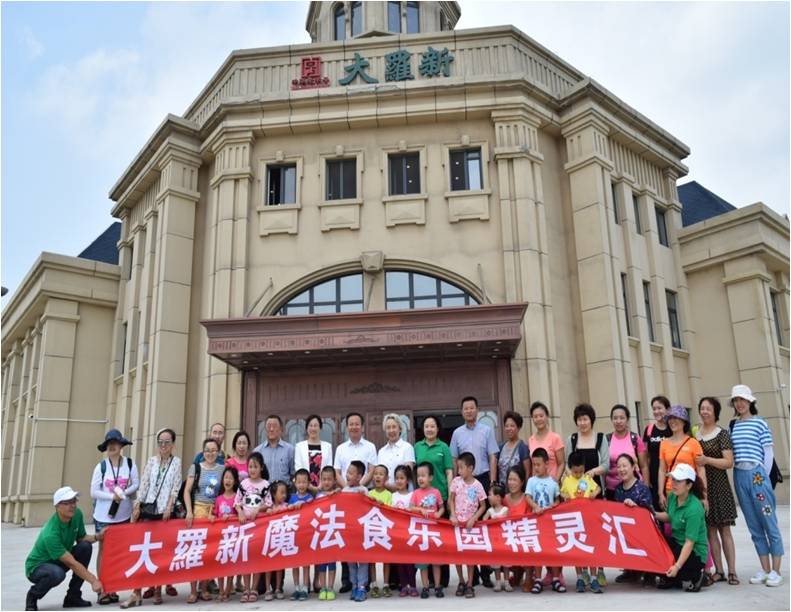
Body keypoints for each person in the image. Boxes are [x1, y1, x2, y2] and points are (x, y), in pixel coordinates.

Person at [728, 384, 784, 587]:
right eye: (736, 400)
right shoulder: (733, 425)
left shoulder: (760, 423)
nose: (739, 403)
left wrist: (764, 479)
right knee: (753, 524)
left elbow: (768, 453)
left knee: (769, 521)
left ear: (750, 401)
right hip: (739, 476)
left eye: (742, 399)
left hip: (758, 475)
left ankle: (776, 570)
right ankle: (765, 569)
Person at [124, 427, 182, 608]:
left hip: (164, 512)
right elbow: (144, 484)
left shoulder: (176, 462)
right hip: (149, 510)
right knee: (145, 550)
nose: (163, 445)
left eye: (167, 442)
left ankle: (158, 588)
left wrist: (169, 506)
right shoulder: (151, 462)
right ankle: (137, 592)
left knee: (161, 552)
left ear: (173, 444)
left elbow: (175, 487)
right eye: (160, 442)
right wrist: (137, 505)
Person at [25, 487, 103, 611]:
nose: (72, 506)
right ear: (57, 506)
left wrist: (98, 536)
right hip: (38, 567)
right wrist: (93, 580)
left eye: (74, 501)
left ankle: (73, 596)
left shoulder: (77, 514)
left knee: (85, 547)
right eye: (67, 503)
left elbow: (82, 538)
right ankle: (32, 596)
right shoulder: (50, 533)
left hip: (59, 559)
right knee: (57, 574)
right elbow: (71, 562)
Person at [90, 428, 139, 606]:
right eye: (109, 444)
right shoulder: (101, 467)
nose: (112, 447)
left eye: (115, 443)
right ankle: (103, 590)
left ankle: (113, 587)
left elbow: (136, 484)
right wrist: (112, 496)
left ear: (121, 446)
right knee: (103, 551)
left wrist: (123, 493)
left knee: (117, 552)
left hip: (123, 515)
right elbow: (94, 491)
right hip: (104, 516)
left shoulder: (130, 464)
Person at [695, 396, 738, 585]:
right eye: (702, 408)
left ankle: (732, 571)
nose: (704, 412)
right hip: (704, 488)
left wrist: (707, 460)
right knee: (710, 531)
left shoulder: (722, 434)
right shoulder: (696, 434)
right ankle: (719, 571)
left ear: (715, 412)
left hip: (720, 487)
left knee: (725, 530)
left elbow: (728, 462)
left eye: (708, 409)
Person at [564, 403, 608, 589]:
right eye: (579, 420)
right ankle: (582, 573)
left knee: (596, 533)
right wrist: (572, 482)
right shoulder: (572, 439)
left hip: (595, 493)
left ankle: (599, 569)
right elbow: (567, 465)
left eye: (585, 419)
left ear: (591, 420)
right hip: (576, 498)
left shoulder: (600, 438)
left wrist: (591, 473)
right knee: (579, 533)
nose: (582, 423)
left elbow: (606, 464)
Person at [334, 412, 377, 593]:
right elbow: (337, 472)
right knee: (347, 541)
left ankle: (364, 583)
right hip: (346, 498)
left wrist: (359, 486)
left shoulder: (370, 446)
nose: (354, 427)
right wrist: (347, 488)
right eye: (350, 424)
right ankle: (348, 582)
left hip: (362, 499)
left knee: (364, 540)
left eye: (357, 423)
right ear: (347, 427)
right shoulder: (341, 448)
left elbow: (372, 470)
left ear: (362, 426)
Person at [413, 415, 453, 590]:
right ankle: (428, 580)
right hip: (422, 501)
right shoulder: (417, 447)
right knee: (425, 539)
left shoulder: (443, 447)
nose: (429, 429)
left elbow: (449, 471)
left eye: (432, 426)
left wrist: (450, 495)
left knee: (440, 539)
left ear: (437, 428)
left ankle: (442, 579)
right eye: (426, 426)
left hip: (440, 497)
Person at [654, 464, 709, 592]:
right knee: (655, 549)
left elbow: (690, 542)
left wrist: (677, 566)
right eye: (673, 479)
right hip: (678, 543)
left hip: (695, 552)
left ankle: (697, 576)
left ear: (689, 485)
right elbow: (669, 516)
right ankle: (673, 579)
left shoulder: (694, 508)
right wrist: (652, 513)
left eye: (678, 481)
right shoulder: (673, 496)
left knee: (673, 566)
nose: (674, 483)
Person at [183, 438, 224, 603]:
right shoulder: (196, 467)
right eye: (207, 450)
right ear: (203, 451)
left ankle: (204, 587)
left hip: (213, 514)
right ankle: (193, 591)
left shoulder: (222, 469)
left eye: (213, 450)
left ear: (218, 452)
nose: (210, 453)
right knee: (195, 552)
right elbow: (187, 491)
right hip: (198, 512)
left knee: (209, 552)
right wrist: (189, 511)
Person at [448, 452, 487, 599]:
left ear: (470, 468)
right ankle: (461, 581)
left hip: (471, 526)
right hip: (457, 524)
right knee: (457, 554)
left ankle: (470, 583)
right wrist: (452, 515)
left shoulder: (478, 485)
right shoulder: (456, 482)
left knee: (470, 555)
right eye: (458, 468)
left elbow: (483, 505)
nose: (459, 471)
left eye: (461, 468)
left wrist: (474, 518)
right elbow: (451, 500)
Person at [525, 448, 563, 594]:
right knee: (538, 551)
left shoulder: (553, 482)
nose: (536, 468)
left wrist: (554, 505)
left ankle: (555, 578)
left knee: (553, 551)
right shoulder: (531, 481)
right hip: (536, 522)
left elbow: (557, 499)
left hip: (550, 523)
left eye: (538, 464)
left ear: (547, 464)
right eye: (534, 464)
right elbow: (528, 497)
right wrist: (535, 507)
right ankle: (538, 579)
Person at [612, 454, 653, 585]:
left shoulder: (642, 488)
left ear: (633, 467)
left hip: (643, 530)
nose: (621, 469)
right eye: (619, 467)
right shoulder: (618, 489)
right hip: (625, 530)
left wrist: (635, 508)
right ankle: (630, 570)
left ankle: (649, 572)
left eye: (624, 466)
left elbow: (649, 514)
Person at [657, 405, 707, 512]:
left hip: (689, 490)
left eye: (676, 418)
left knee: (690, 518)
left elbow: (701, 470)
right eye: (670, 418)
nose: (672, 421)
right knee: (673, 520)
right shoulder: (664, 443)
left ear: (684, 421)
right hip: (671, 490)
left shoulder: (693, 443)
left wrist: (704, 496)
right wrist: (660, 493)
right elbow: (662, 470)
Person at [236, 452, 271, 603]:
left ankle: (254, 588)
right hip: (245, 527)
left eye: (255, 466)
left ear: (261, 467)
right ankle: (246, 588)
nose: (252, 469)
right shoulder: (243, 484)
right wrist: (240, 512)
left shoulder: (266, 485)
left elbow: (268, 503)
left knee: (257, 557)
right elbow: (237, 502)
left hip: (259, 526)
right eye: (250, 466)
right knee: (246, 557)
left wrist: (259, 509)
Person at [410, 462, 445, 598]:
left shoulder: (436, 492)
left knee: (436, 562)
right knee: (422, 563)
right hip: (421, 532)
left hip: (434, 532)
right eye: (418, 476)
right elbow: (410, 507)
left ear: (430, 477)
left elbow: (442, 507)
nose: (420, 478)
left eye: (423, 475)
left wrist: (439, 513)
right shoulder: (416, 493)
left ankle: (437, 586)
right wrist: (420, 509)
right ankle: (425, 587)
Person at [449, 396, 498, 494]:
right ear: (462, 412)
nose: (469, 411)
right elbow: (454, 459)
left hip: (483, 478)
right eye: (466, 409)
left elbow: (492, 457)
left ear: (477, 410)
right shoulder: (457, 433)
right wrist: (454, 482)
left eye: (471, 408)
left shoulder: (487, 430)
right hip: (463, 480)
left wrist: (493, 481)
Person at [605, 404, 648, 500]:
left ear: (627, 419)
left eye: (622, 418)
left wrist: (646, 487)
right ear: (611, 420)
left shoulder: (635, 438)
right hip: (612, 489)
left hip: (633, 489)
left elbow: (644, 466)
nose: (618, 421)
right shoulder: (607, 439)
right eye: (615, 418)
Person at [211, 466, 240, 603]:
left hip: (232, 536)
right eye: (225, 477)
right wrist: (212, 517)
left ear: (235, 481)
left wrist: (232, 516)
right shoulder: (218, 499)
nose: (227, 480)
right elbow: (214, 514)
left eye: (230, 478)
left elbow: (240, 516)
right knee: (220, 565)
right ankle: (221, 590)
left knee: (230, 565)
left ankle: (228, 590)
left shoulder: (237, 498)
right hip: (220, 537)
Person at [342, 461, 370, 602]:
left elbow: (369, 507)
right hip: (349, 532)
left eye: (351, 473)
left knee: (363, 561)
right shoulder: (344, 491)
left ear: (359, 476)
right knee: (351, 561)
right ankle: (354, 585)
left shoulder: (364, 491)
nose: (347, 475)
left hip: (362, 532)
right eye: (347, 472)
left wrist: (364, 497)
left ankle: (362, 587)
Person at [391, 464, 418, 597]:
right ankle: (403, 585)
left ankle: (412, 585)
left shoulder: (412, 495)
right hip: (397, 533)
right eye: (397, 478)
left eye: (402, 478)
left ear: (408, 480)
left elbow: (415, 512)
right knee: (400, 561)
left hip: (409, 533)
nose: (399, 481)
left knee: (410, 561)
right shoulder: (393, 496)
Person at [642, 395, 672, 510]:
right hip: (654, 476)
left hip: (672, 476)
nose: (656, 411)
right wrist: (647, 479)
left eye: (659, 408)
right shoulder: (649, 429)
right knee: (657, 509)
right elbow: (645, 457)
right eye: (654, 409)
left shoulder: (673, 428)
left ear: (667, 409)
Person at [367, 465, 393, 599]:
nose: (377, 476)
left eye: (381, 474)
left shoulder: (389, 495)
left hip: (385, 531)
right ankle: (374, 584)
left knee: (386, 559)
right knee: (372, 559)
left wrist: (382, 505)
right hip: (371, 531)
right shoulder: (369, 494)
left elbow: (392, 512)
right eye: (375, 474)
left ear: (386, 478)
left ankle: (386, 584)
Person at [315, 466, 340, 601]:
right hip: (321, 535)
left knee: (332, 563)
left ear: (334, 481)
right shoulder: (318, 496)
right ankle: (323, 587)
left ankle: (330, 587)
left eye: (329, 479)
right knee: (321, 563)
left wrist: (336, 492)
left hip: (333, 534)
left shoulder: (337, 494)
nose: (326, 482)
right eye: (324, 479)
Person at [289, 469, 314, 601]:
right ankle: (296, 587)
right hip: (294, 534)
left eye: (304, 482)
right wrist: (291, 506)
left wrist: (302, 503)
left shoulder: (310, 497)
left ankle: (305, 587)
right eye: (299, 482)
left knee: (305, 562)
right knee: (295, 562)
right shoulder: (292, 497)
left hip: (306, 534)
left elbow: (310, 504)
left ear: (309, 483)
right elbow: (287, 509)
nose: (301, 485)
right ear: (295, 483)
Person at [527, 401, 565, 483]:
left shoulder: (555, 438)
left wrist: (555, 481)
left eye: (541, 416)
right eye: (535, 417)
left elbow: (561, 463)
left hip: (551, 484)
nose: (538, 419)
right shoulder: (531, 440)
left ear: (547, 416)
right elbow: (533, 465)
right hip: (536, 485)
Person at [482, 483, 510, 592]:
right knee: (496, 563)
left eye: (490, 494)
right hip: (494, 541)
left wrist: (495, 521)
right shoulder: (490, 511)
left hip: (504, 541)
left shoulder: (505, 510)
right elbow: (484, 520)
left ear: (498, 497)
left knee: (506, 563)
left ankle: (507, 582)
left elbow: (507, 521)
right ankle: (498, 582)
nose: (488, 497)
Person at [377, 414, 416, 490]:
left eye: (394, 427)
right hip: (385, 492)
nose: (391, 430)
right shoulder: (381, 451)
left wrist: (394, 487)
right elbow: (379, 473)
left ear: (400, 429)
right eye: (388, 427)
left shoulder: (407, 447)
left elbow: (408, 472)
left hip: (404, 492)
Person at [253, 415, 295, 485]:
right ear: (265, 429)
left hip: (284, 490)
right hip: (264, 490)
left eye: (275, 426)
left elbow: (293, 475)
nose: (271, 429)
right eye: (269, 426)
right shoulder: (257, 451)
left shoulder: (290, 450)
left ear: (281, 429)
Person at [294, 415, 333, 488]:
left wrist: (320, 486)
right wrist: (309, 486)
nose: (313, 428)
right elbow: (298, 468)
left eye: (315, 425)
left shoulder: (327, 446)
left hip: (324, 487)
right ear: (307, 428)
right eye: (310, 425)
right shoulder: (299, 446)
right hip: (304, 487)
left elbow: (329, 468)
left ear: (320, 428)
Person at [498, 410, 530, 484]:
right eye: (506, 426)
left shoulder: (523, 448)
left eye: (512, 426)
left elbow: (527, 472)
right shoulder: (501, 447)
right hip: (502, 488)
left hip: (517, 488)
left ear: (518, 427)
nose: (509, 428)